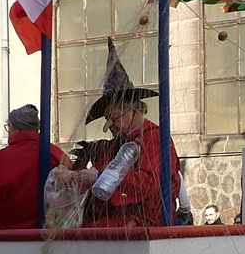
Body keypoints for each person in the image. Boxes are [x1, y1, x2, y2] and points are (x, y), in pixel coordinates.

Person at [75, 40, 179, 229]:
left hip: (144, 227)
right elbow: (98, 172)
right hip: (115, 226)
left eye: (114, 118)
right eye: (107, 119)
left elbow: (149, 184)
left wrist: (99, 176)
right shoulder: (115, 144)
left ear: (134, 111)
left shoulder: (155, 138)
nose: (108, 126)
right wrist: (74, 175)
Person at [0, 104, 65, 229]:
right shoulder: (55, 154)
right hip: (47, 232)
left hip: (4, 233)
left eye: (8, 127)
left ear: (14, 128)